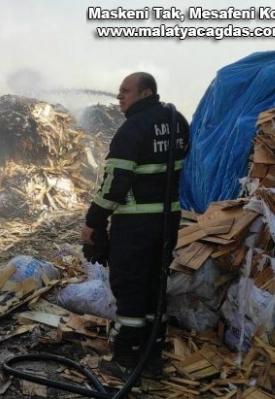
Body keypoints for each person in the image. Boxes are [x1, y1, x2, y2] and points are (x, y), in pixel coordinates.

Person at [81, 72, 189, 381]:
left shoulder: (132, 129)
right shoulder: (178, 121)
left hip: (136, 223)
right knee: (155, 288)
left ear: (145, 93)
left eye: (126, 92)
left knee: (130, 287)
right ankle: (152, 357)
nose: (119, 97)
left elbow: (115, 184)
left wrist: (93, 222)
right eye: (118, 92)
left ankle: (126, 360)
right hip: (168, 221)